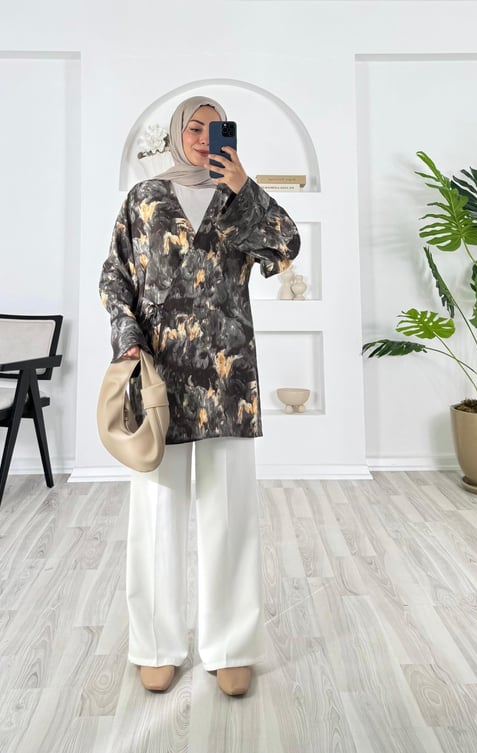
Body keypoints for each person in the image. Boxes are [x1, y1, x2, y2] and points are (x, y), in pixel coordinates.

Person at [99, 96, 300, 695]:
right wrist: (128, 340)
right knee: (157, 512)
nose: (204, 137)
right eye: (195, 126)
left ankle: (231, 646)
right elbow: (116, 277)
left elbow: (286, 246)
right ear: (175, 134)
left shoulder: (238, 197)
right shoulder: (144, 198)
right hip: (159, 376)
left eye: (216, 129)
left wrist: (243, 186)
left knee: (229, 515)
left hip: (228, 377)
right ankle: (156, 644)